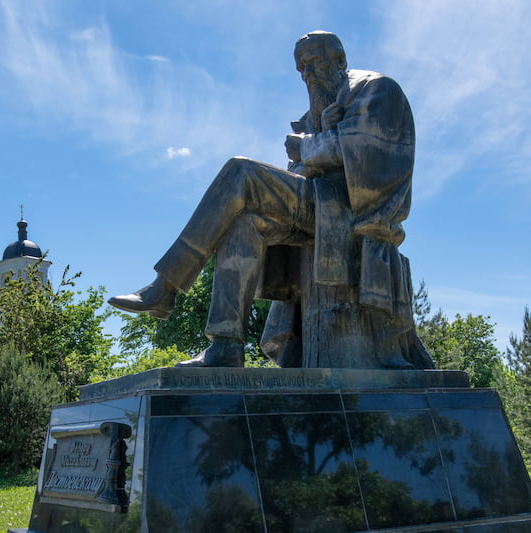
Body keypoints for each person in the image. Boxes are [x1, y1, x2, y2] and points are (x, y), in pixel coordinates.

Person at [109, 31, 433, 369]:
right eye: (301, 68)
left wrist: (310, 145)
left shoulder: (376, 89)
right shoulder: (315, 114)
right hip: (321, 208)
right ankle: (225, 346)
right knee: (244, 221)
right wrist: (318, 138)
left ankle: (166, 287)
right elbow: (299, 171)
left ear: (340, 60)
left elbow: (368, 159)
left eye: (315, 62)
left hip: (354, 212)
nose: (308, 74)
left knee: (241, 172)